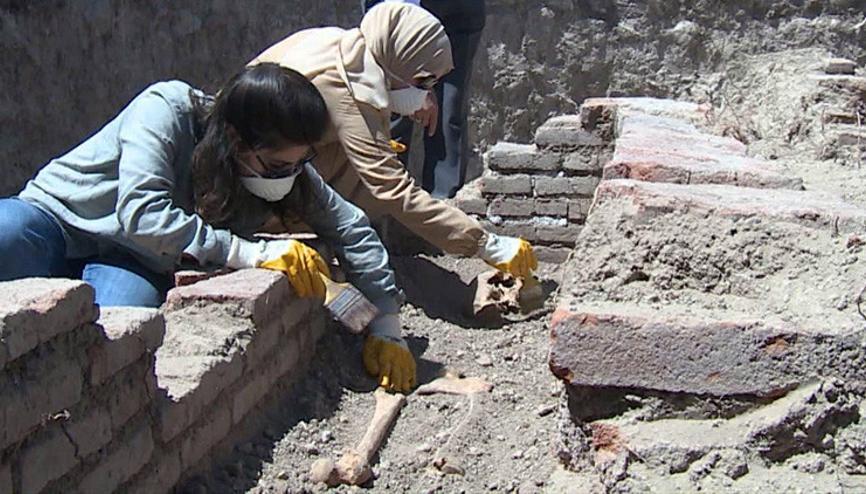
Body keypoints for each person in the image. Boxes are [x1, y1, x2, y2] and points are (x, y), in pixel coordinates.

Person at [0, 63, 416, 392]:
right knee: (9, 233)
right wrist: (251, 253)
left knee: (116, 339)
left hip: (132, 260)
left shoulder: (281, 167)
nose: (289, 175)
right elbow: (142, 214)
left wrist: (387, 327)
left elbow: (351, 227)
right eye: (277, 166)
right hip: (57, 222)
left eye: (298, 163)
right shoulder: (166, 110)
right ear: (237, 142)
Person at [250, 2, 537, 288]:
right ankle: (357, 260)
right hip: (256, 189)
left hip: (262, 167)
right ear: (398, 60)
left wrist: (406, 94)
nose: (426, 92)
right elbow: (392, 188)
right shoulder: (350, 94)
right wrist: (485, 243)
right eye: (423, 81)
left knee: (377, 159)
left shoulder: (344, 45)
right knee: (374, 182)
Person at [363, 0, 486, 200]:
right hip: (401, 12)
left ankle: (441, 207)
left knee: (448, 111)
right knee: (396, 105)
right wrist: (419, 86)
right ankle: (386, 200)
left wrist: (422, 84)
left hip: (459, 13)